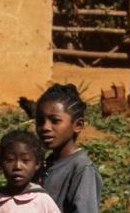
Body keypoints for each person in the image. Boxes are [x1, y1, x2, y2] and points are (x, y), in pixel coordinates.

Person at [24, 85, 100, 213]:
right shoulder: (44, 165)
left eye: (55, 121)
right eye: (40, 121)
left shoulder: (81, 169)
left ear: (78, 125)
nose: (45, 127)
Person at [0, 130, 61, 213]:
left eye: (25, 160)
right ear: (0, 163)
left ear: (37, 163)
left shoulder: (43, 202)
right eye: (10, 159)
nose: (17, 166)